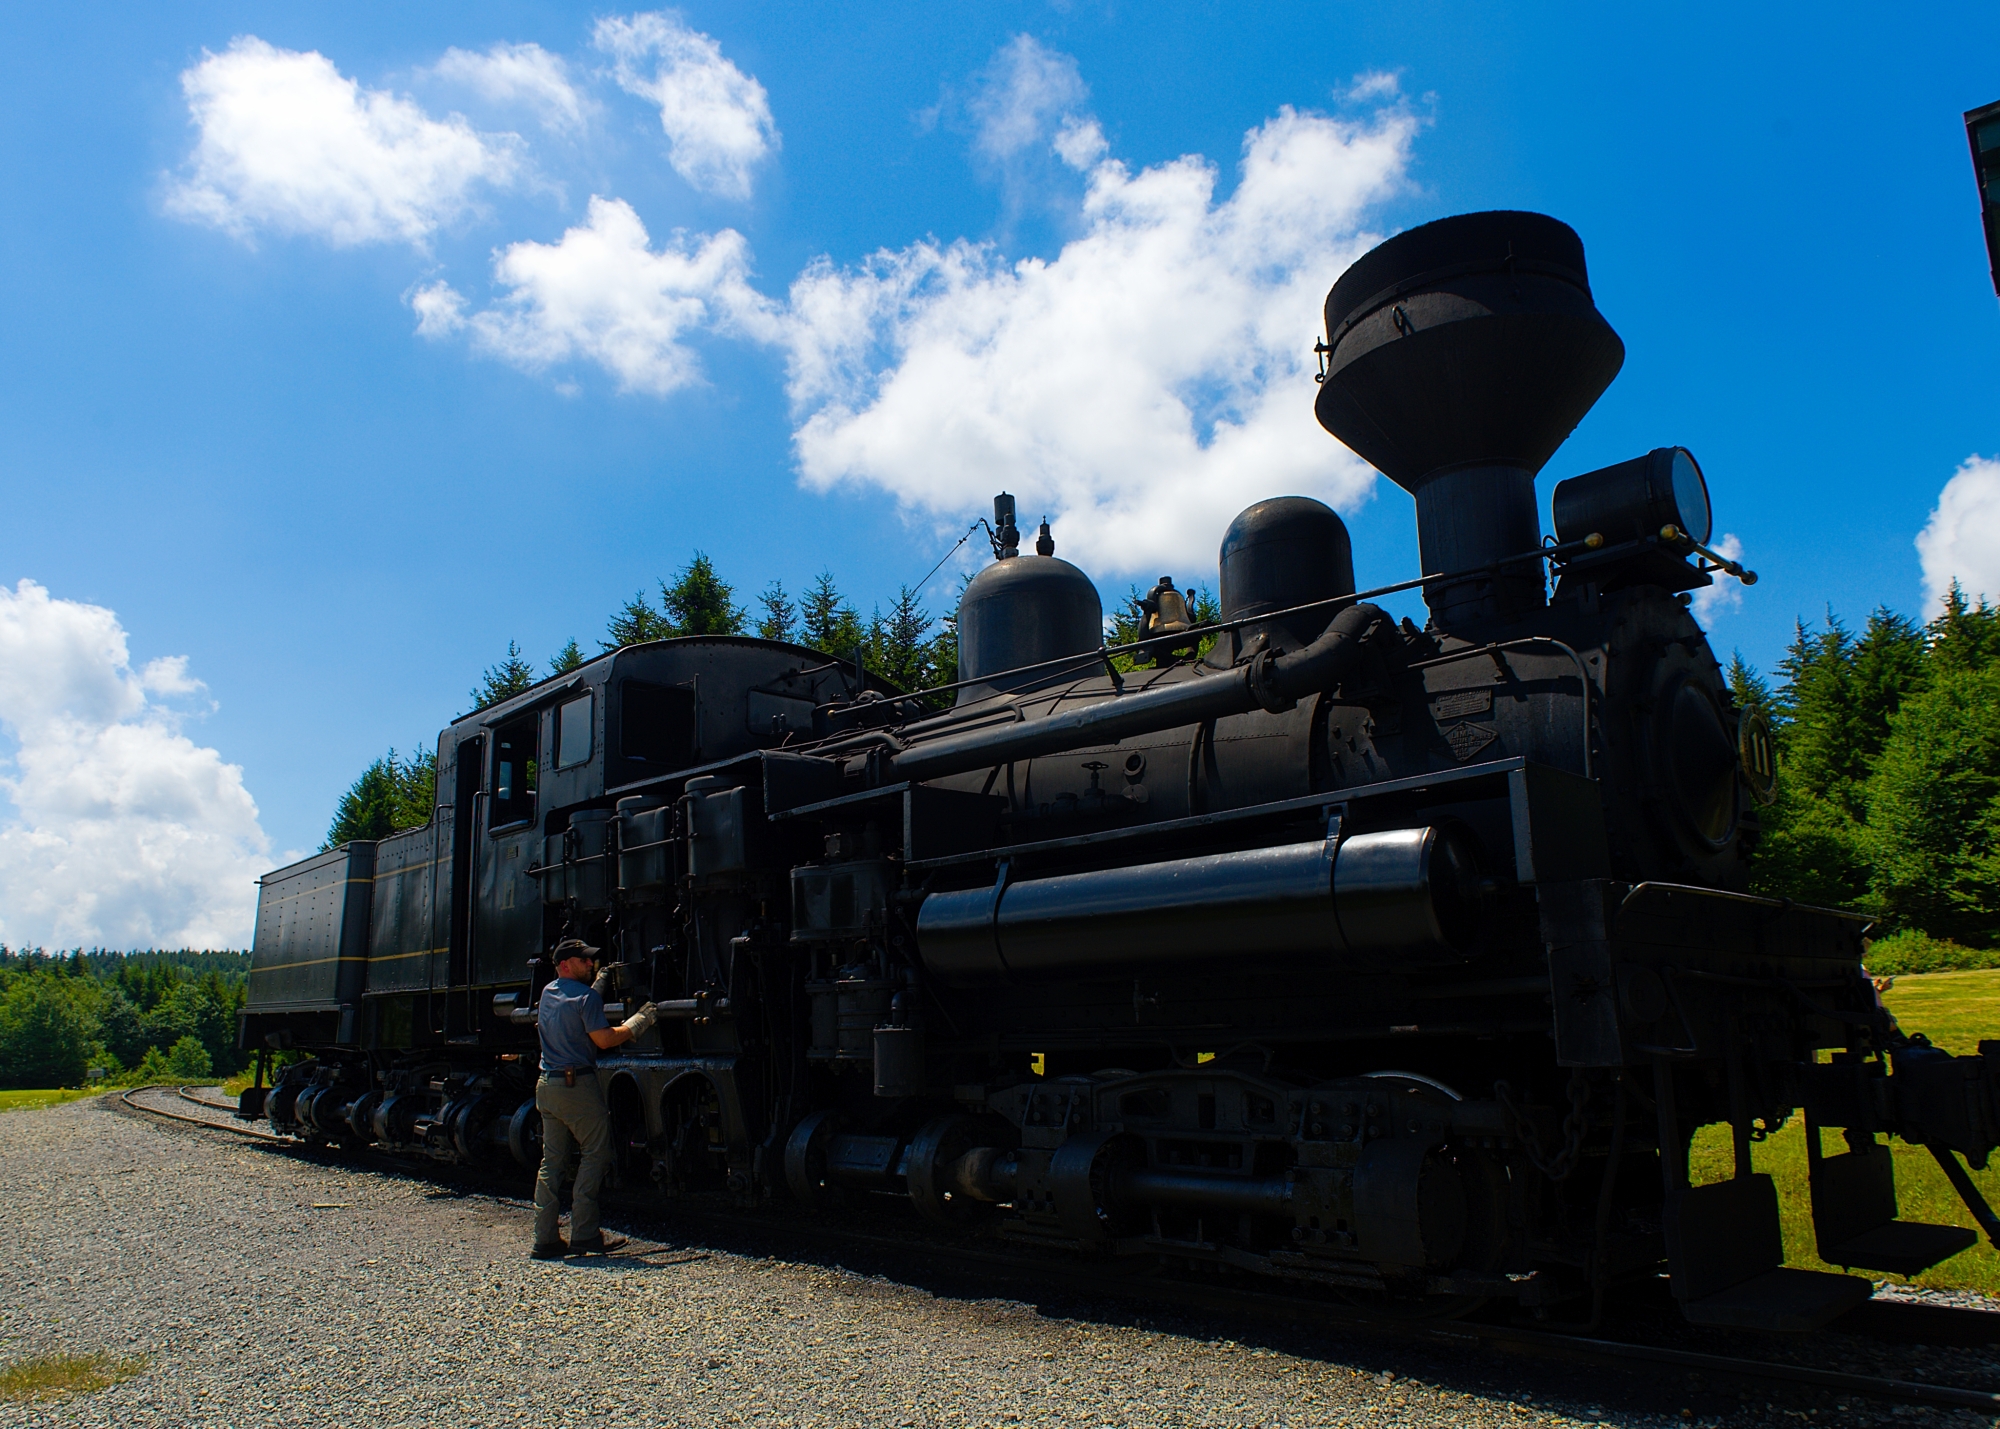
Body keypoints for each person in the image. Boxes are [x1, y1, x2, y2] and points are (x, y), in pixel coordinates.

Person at [531, 937, 658, 1259]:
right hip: (577, 1089)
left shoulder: (548, 992)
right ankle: (585, 1235)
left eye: (591, 960)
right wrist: (636, 1023)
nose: (590, 964)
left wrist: (599, 984)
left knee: (552, 1163)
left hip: (547, 1085)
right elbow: (603, 1040)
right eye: (583, 960)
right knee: (595, 1155)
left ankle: (544, 1239)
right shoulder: (585, 998)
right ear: (564, 965)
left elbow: (578, 1007)